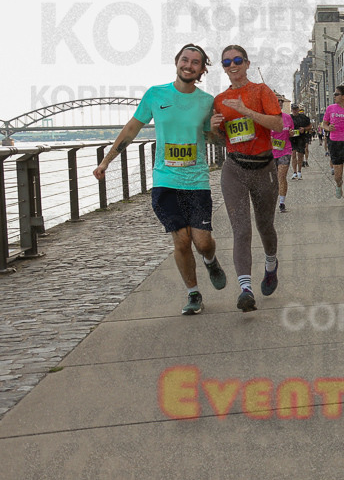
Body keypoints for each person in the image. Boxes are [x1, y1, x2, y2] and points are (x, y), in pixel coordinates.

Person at [94, 44, 226, 315]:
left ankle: (210, 260)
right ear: (176, 62)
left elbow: (214, 140)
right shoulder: (155, 94)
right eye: (185, 60)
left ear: (202, 69)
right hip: (165, 181)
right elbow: (132, 128)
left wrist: (215, 130)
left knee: (202, 242)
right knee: (181, 240)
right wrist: (106, 161)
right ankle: (193, 293)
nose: (189, 65)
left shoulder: (206, 101)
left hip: (197, 182)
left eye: (196, 62)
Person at [210, 45, 283, 312]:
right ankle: (245, 290)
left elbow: (278, 125)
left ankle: (271, 264)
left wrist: (246, 110)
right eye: (227, 62)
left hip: (264, 169)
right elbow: (220, 139)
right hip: (235, 169)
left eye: (237, 60)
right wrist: (213, 130)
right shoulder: (219, 100)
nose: (232, 65)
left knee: (265, 226)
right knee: (241, 230)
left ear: (247, 63)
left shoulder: (262, 91)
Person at [271, 95, 294, 213]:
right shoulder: (267, 118)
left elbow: (292, 132)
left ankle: (282, 203)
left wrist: (291, 133)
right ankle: (270, 202)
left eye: (281, 101)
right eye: (277, 101)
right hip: (270, 152)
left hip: (285, 150)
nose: (279, 103)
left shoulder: (287, 118)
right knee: (272, 179)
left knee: (281, 176)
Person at [289, 103, 312, 180]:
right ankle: (294, 172)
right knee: (293, 154)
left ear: (298, 109)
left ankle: (299, 171)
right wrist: (289, 131)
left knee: (300, 154)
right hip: (292, 138)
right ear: (291, 110)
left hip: (301, 138)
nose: (295, 111)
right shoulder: (289, 117)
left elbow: (310, 126)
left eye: (296, 109)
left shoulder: (303, 117)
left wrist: (304, 129)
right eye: (293, 109)